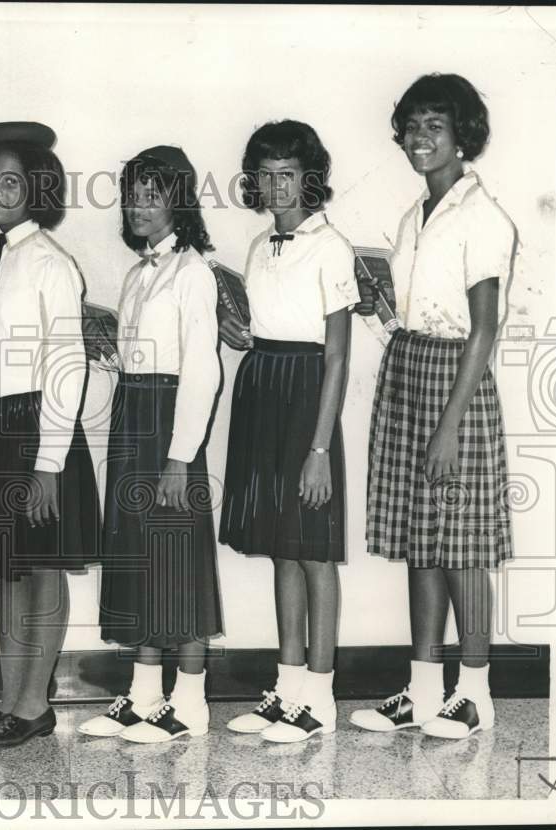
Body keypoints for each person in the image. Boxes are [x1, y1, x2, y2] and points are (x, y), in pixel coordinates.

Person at [350, 74, 516, 740]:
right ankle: (422, 690)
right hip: (410, 368)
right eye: (413, 126)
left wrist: (449, 426)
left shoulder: (484, 216)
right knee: (423, 543)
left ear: (462, 134)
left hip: (458, 384)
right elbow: (412, 310)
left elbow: (483, 328)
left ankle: (475, 693)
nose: (421, 138)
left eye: (435, 126)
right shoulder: (411, 215)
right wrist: (379, 314)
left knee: (462, 547)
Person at [0, 121, 101, 749]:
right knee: (6, 570)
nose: (0, 190)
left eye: (13, 179)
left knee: (40, 567)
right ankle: (9, 699)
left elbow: (66, 361)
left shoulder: (52, 263)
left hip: (35, 429)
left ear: (36, 188)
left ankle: (35, 704)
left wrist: (49, 462)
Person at [219, 120, 359, 743]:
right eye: (266, 176)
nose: (276, 188)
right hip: (262, 389)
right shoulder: (256, 246)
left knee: (313, 550)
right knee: (282, 545)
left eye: (288, 176)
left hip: (307, 397)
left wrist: (320, 449)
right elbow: (265, 319)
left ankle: (320, 698)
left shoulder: (330, 246)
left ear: (310, 180)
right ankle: (288, 687)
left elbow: (336, 355)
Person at [77, 146, 222, 744]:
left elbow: (203, 371)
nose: (139, 205)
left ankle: (189, 702)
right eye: (132, 193)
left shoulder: (193, 271)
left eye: (153, 194)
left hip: (168, 427)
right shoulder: (138, 274)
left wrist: (179, 457)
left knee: (178, 557)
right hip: (134, 417)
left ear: (177, 202)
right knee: (138, 553)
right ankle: (142, 696)